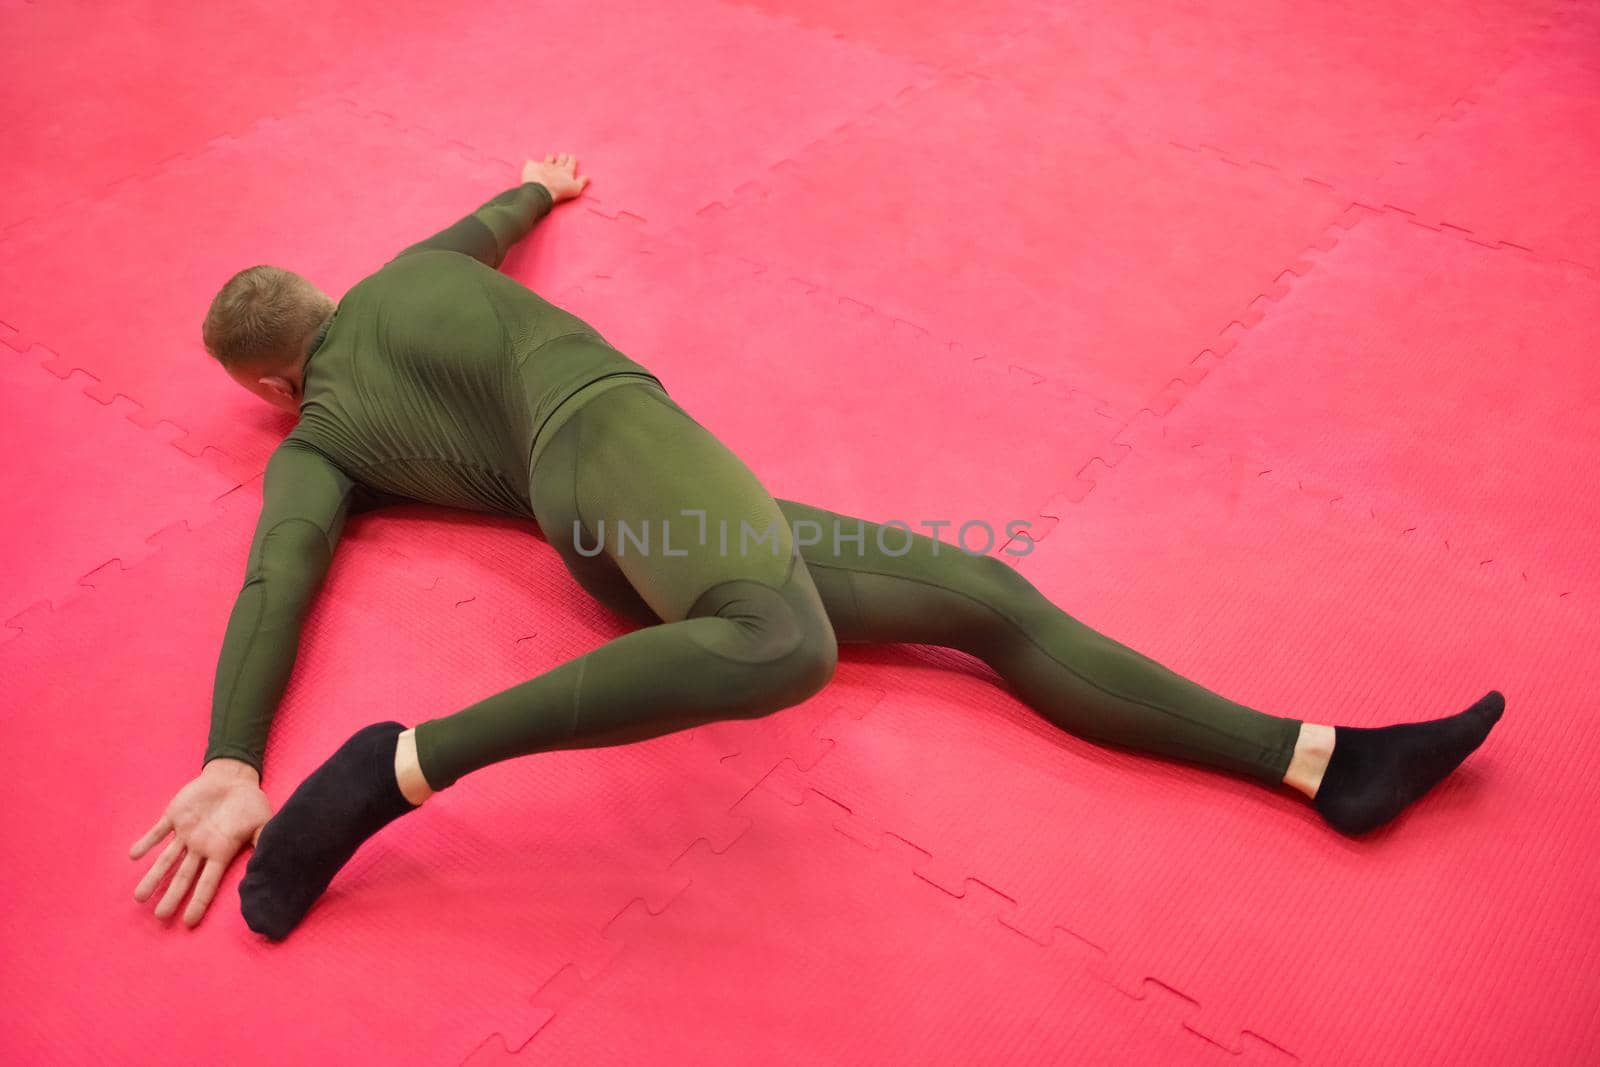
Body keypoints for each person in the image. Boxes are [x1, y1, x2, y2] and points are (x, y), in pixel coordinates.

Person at [128, 153, 1504, 940]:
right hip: (614, 438)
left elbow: (278, 576)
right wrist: (535, 183)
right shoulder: (417, 270)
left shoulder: (314, 445)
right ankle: (405, 765)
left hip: (617, 531)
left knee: (977, 592)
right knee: (787, 642)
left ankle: (1322, 760)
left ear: (264, 379)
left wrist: (228, 754)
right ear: (328, 294)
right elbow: (485, 220)